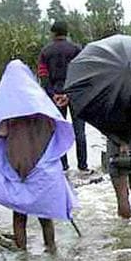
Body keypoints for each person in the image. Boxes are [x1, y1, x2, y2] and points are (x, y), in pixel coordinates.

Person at [0, 60, 78, 252]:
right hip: (42, 166)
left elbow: (0, 133)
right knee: (45, 214)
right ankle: (51, 250)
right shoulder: (41, 103)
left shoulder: (7, 109)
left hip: (18, 167)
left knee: (20, 215)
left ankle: (23, 255)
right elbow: (55, 126)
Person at [37, 21, 87, 172]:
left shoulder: (45, 52)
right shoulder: (77, 49)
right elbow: (82, 73)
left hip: (54, 96)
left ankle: (63, 166)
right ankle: (83, 166)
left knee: (59, 132)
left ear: (53, 33)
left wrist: (53, 94)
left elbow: (43, 75)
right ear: (66, 33)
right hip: (75, 95)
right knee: (80, 132)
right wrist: (69, 94)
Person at [107, 132, 131, 219]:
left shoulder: (109, 118)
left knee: (122, 195)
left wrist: (122, 143)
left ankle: (125, 226)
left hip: (115, 150)